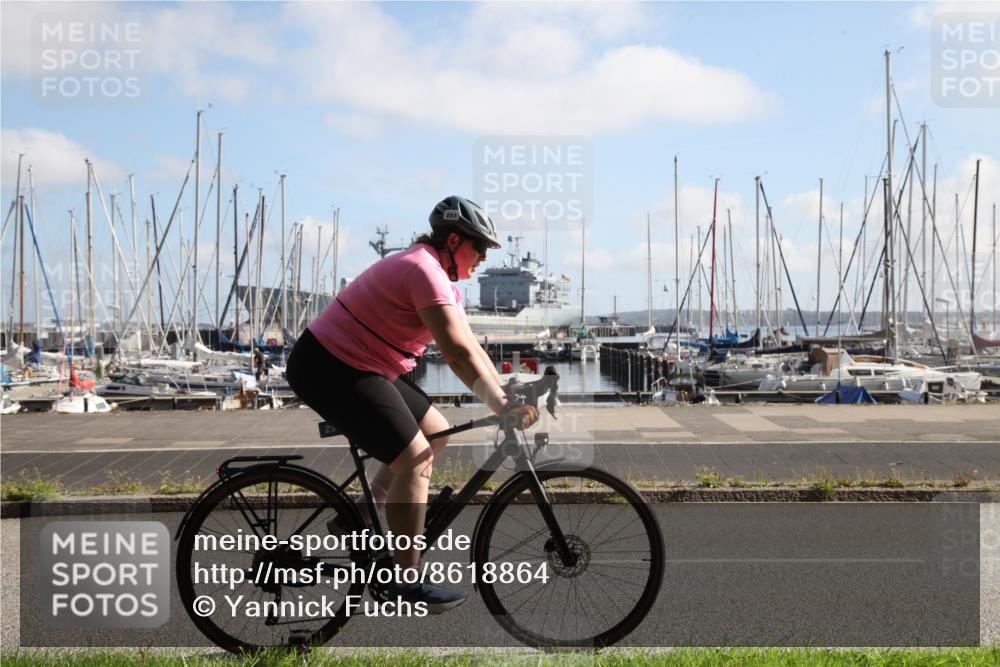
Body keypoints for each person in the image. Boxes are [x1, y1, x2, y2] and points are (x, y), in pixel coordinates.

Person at [285, 196, 539, 613]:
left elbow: (471, 347)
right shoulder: (423, 269)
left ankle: (359, 516)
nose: (482, 258)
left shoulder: (442, 281)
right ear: (454, 240)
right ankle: (407, 579)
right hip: (328, 364)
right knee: (416, 458)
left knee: (436, 430)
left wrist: (506, 393)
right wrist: (499, 406)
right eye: (479, 248)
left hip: (362, 364)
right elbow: (454, 353)